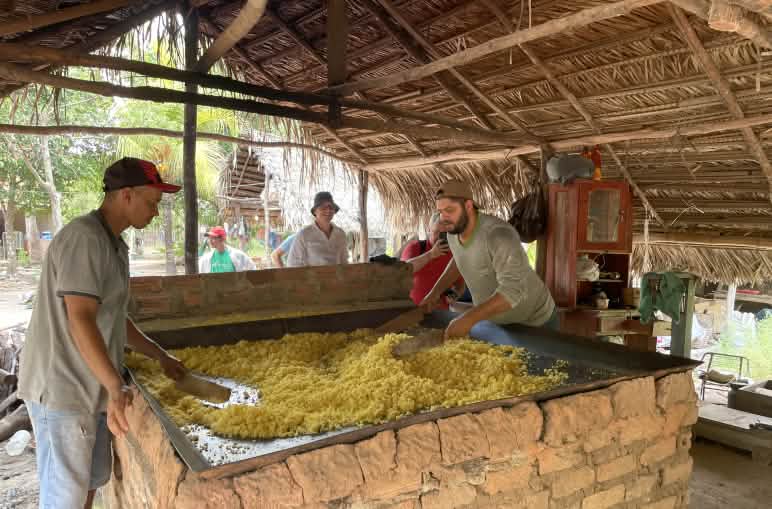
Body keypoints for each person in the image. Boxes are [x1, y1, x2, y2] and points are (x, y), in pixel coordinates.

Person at [17, 157, 188, 509]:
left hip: (89, 386)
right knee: (64, 497)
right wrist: (115, 385)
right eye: (152, 202)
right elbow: (80, 318)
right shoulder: (85, 238)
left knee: (88, 485)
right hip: (63, 389)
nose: (155, 213)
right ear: (126, 195)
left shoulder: (115, 245)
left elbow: (113, 318)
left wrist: (160, 355)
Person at [421, 179, 558, 339]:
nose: (444, 218)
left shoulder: (498, 235)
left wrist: (468, 319)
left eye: (450, 210)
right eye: (440, 211)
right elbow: (459, 260)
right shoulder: (454, 232)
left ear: (468, 206)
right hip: (500, 323)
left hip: (535, 320)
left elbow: (512, 291)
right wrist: (435, 292)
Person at [400, 213, 463, 309]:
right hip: (412, 311)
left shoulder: (453, 255)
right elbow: (402, 270)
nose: (440, 237)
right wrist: (430, 254)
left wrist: (454, 294)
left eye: (445, 233)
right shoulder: (415, 248)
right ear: (429, 230)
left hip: (440, 312)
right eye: (437, 232)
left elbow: (460, 283)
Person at [287, 192, 349, 267]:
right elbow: (293, 263)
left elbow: (344, 261)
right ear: (315, 211)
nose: (328, 210)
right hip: (312, 278)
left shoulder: (340, 234)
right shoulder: (304, 234)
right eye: (323, 208)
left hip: (336, 278)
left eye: (331, 207)